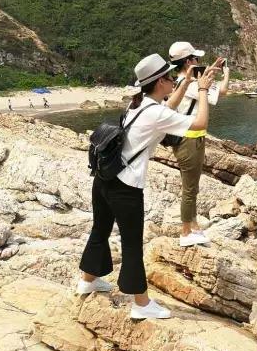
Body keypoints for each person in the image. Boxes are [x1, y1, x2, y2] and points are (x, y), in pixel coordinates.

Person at [77, 53, 216, 320]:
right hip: (126, 187)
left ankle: (87, 281)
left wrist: (187, 83)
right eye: (171, 77)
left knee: (100, 230)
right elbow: (200, 124)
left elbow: (167, 110)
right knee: (132, 245)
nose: (173, 80)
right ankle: (141, 304)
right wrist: (202, 90)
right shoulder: (153, 111)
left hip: (104, 179)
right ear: (161, 82)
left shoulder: (138, 104)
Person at [168, 41, 229, 247]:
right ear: (188, 62)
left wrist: (210, 71)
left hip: (188, 137)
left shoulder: (180, 81)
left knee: (192, 186)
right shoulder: (192, 85)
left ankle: (193, 225)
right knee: (190, 188)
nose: (198, 62)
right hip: (190, 139)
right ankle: (186, 232)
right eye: (195, 59)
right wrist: (223, 75)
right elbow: (219, 93)